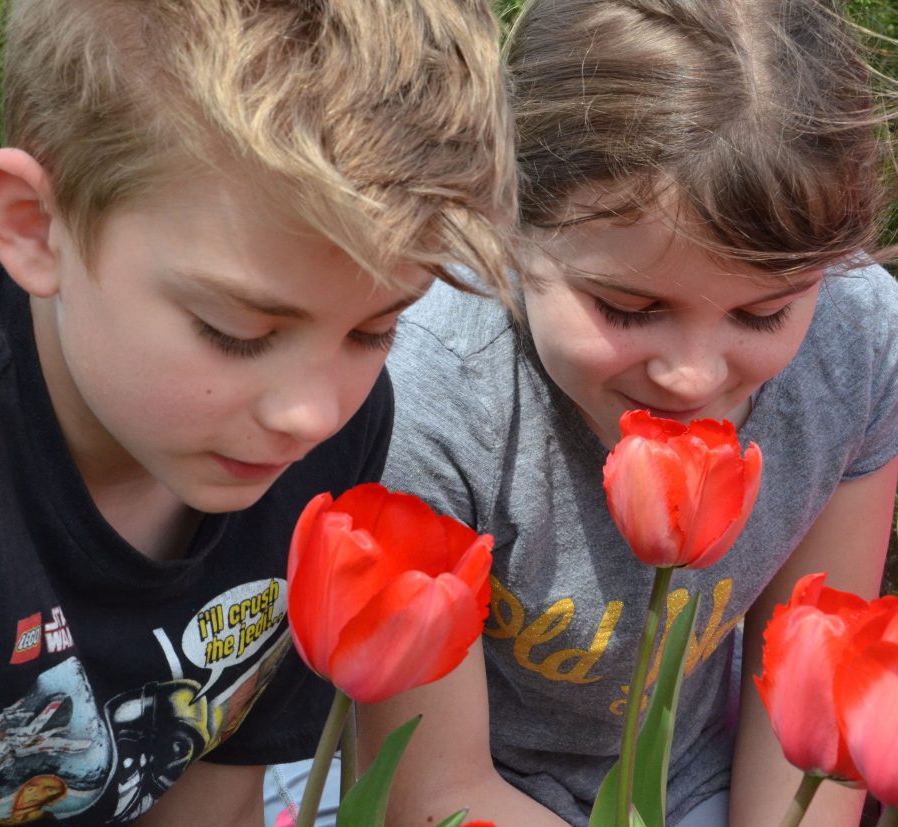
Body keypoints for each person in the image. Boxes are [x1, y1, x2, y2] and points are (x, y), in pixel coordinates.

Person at [0, 1, 517, 825]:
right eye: (237, 332)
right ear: (36, 227)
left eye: (375, 330)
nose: (312, 414)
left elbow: (216, 781)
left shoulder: (322, 435)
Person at [356, 1, 898, 826]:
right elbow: (431, 793)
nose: (691, 377)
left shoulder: (856, 342)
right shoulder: (430, 392)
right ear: (503, 216)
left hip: (695, 777)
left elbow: (816, 708)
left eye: (761, 315)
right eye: (628, 307)